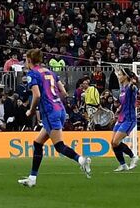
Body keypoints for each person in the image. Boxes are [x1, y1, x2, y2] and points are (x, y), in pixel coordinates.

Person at [18, 48, 90, 187]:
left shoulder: (33, 74)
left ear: (29, 60)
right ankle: (32, 178)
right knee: (38, 143)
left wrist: (31, 111)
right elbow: (63, 92)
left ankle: (81, 160)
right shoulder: (49, 71)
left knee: (59, 146)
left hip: (50, 112)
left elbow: (37, 95)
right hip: (59, 109)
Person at [109, 66, 140, 172]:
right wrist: (118, 109)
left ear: (125, 76)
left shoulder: (131, 87)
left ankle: (133, 156)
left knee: (116, 141)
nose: (119, 77)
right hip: (121, 118)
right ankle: (123, 165)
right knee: (113, 142)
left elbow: (137, 86)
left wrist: (134, 81)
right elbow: (124, 103)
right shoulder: (123, 89)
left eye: (120, 75)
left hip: (129, 119)